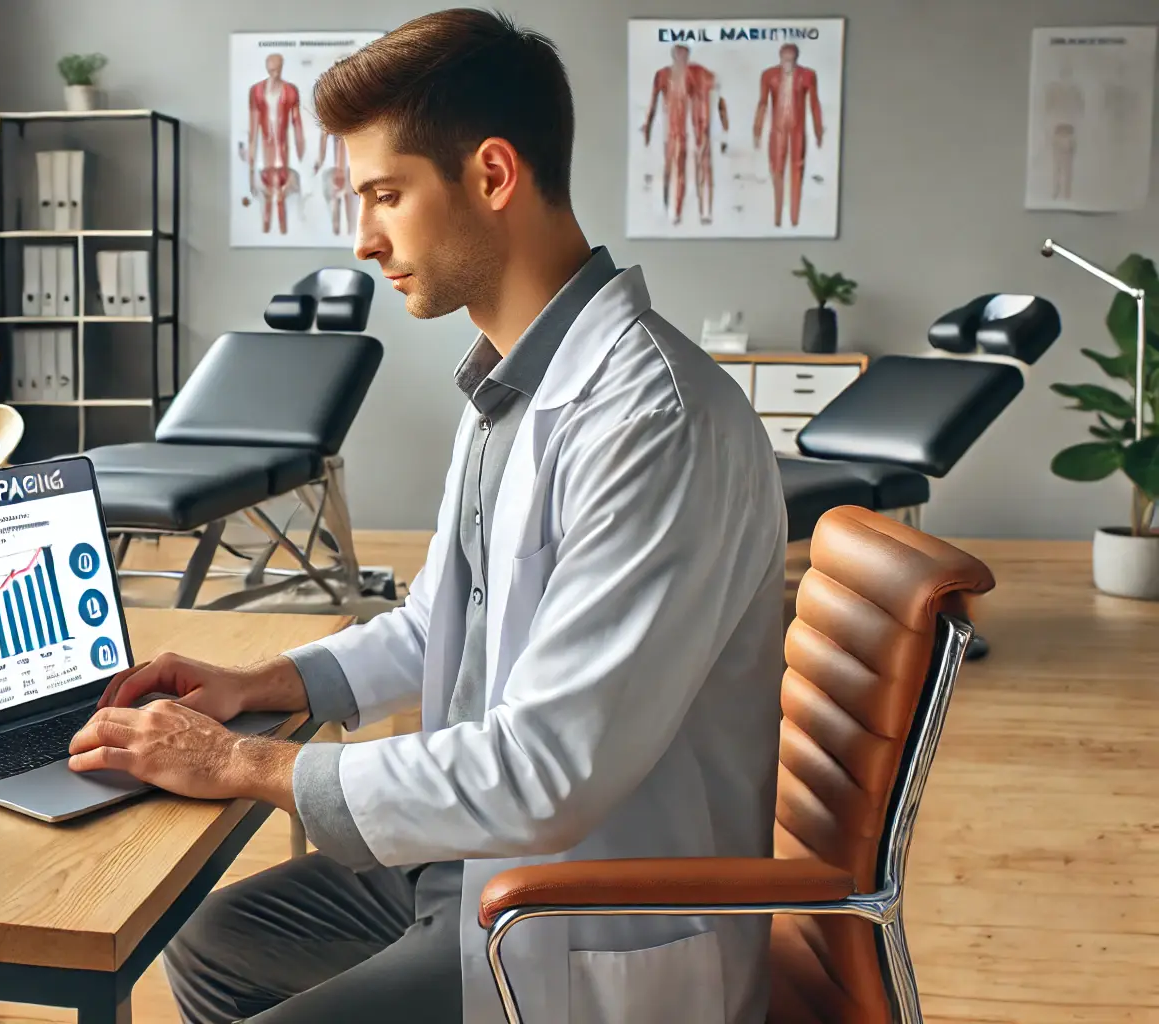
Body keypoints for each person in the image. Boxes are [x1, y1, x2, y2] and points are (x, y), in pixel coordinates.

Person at [69, 9, 786, 1023]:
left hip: (570, 915)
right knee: (212, 942)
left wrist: (243, 762)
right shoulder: (510, 386)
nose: (363, 241)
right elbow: (440, 623)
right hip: (463, 866)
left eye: (385, 196)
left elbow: (546, 775)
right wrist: (264, 682)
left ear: (492, 176)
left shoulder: (652, 419)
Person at [642, 44, 728, 225]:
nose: (682, 60)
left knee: (703, 165)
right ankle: (673, 211)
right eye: (679, 56)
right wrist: (647, 128)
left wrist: (722, 126)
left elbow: (718, 95)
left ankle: (705, 212)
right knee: (674, 168)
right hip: (673, 131)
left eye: (685, 56)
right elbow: (653, 103)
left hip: (697, 127)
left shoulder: (698, 73)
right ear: (673, 56)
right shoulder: (663, 75)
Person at [752, 43, 823, 229]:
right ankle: (777, 217)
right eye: (785, 59)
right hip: (778, 129)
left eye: (791, 60)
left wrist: (818, 130)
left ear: (796, 59)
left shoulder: (808, 76)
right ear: (780, 58)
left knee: (797, 170)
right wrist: (757, 130)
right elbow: (762, 103)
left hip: (797, 129)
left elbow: (814, 103)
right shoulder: (769, 75)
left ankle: (794, 218)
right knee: (776, 170)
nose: (787, 64)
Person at [248, 52, 306, 234]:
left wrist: (300, 145)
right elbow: (253, 123)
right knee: (267, 195)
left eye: (278, 69)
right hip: (265, 151)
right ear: (267, 68)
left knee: (280, 194)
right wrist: (251, 150)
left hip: (283, 150)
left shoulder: (290, 91)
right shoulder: (257, 91)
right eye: (272, 69)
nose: (275, 73)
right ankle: (267, 231)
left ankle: (282, 231)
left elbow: (297, 121)